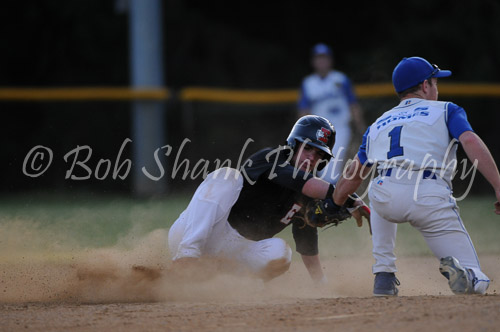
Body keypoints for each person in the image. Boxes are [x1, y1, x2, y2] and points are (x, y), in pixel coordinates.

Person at [332, 56, 500, 296]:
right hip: (429, 197)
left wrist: (335, 202)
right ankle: (469, 276)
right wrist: (497, 185)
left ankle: (384, 275)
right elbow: (470, 140)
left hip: (386, 194)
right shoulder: (446, 110)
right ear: (424, 85)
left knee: (378, 188)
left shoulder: (378, 123)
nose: (436, 88)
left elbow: (354, 175)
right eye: (435, 82)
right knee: (478, 280)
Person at [168, 115, 369, 283]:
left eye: (319, 155)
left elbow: (306, 241)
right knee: (227, 175)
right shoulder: (271, 159)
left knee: (281, 254)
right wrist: (348, 199)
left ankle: (223, 282)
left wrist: (320, 283)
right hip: (198, 231)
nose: (311, 157)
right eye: (307, 148)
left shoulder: (310, 194)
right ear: (294, 144)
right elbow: (302, 182)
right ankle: (187, 256)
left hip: (234, 253)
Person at [298, 43, 365, 184]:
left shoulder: (341, 79)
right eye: (318, 58)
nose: (322, 61)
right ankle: (331, 199)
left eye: (324, 57)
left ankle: (332, 200)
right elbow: (304, 110)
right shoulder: (308, 83)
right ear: (313, 61)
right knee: (324, 170)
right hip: (319, 132)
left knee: (331, 167)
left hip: (340, 128)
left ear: (330, 60)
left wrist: (360, 128)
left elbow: (353, 104)